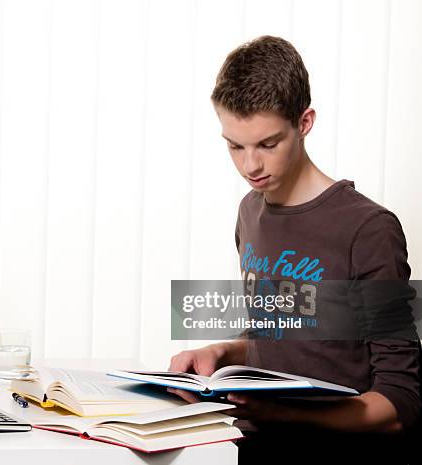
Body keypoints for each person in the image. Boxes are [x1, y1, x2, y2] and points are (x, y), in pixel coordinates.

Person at [168, 35, 421, 464]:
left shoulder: (368, 229)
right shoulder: (250, 212)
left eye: (268, 144)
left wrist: (287, 415)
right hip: (251, 445)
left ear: (304, 123)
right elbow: (280, 336)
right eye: (235, 146)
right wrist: (220, 352)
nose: (251, 166)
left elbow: (401, 401)